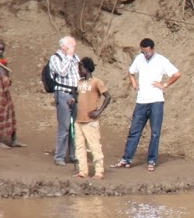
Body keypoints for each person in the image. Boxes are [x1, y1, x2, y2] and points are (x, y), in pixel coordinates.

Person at [113, 38, 180, 171]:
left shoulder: (161, 60)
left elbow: (177, 74)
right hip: (141, 101)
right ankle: (126, 159)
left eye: (147, 52)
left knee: (155, 133)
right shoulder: (139, 59)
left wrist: (164, 85)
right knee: (134, 131)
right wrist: (134, 83)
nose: (145, 54)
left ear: (152, 49)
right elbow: (131, 72)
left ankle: (151, 160)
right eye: (143, 52)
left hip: (156, 101)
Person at [74, 57, 110, 180]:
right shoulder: (79, 83)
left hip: (90, 121)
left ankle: (99, 172)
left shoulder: (96, 82)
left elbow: (108, 96)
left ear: (87, 68)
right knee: (79, 147)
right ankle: (83, 171)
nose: (79, 71)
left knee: (94, 146)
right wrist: (72, 100)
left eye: (80, 68)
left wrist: (99, 111)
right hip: (79, 120)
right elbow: (78, 97)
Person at [47, 36, 80, 166]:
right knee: (65, 125)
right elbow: (62, 71)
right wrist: (69, 57)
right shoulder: (55, 58)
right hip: (63, 94)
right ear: (64, 46)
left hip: (75, 94)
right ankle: (59, 156)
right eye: (72, 46)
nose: (74, 48)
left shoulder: (76, 58)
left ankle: (73, 154)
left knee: (75, 126)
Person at [0, 38, 21, 147]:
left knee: (10, 111)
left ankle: (14, 139)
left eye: (3, 49)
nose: (1, 51)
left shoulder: (3, 60)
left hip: (5, 87)